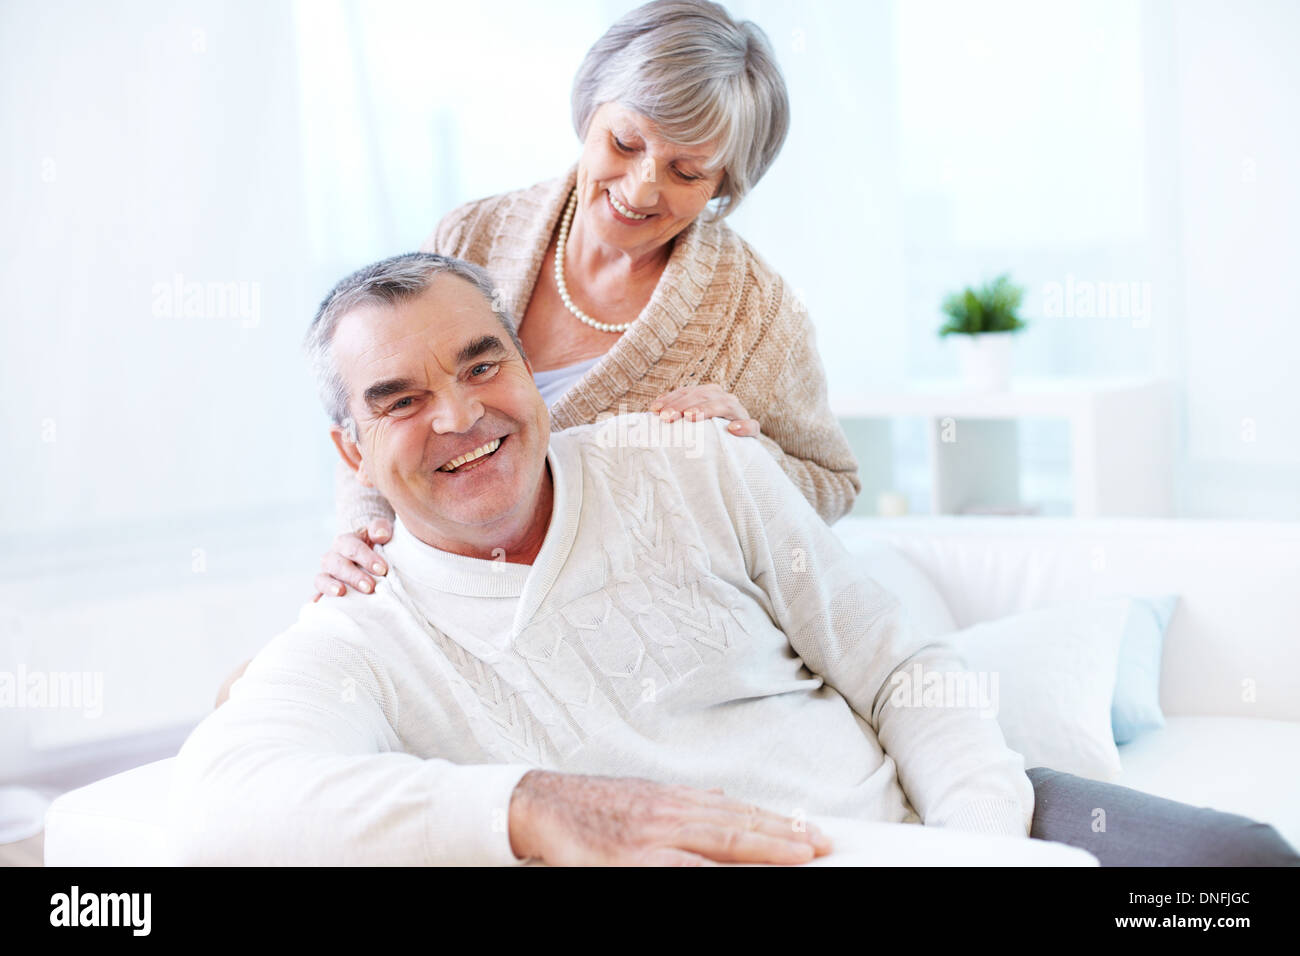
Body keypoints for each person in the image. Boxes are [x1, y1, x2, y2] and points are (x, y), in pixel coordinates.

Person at [171, 252, 1055, 866]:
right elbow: (217, 808)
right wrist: (534, 805)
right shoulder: (360, 628)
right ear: (351, 453)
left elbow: (902, 669)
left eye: (483, 367)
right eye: (402, 402)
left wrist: (975, 847)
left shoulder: (694, 461)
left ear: (529, 367)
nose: (459, 418)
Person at [316, 0, 860, 603]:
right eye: (625, 142)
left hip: (616, 617)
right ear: (590, 112)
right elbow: (379, 412)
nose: (640, 187)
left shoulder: (756, 316)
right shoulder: (470, 238)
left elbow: (832, 486)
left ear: (725, 184)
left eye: (686, 172)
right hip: (444, 593)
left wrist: (744, 457)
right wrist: (366, 533)